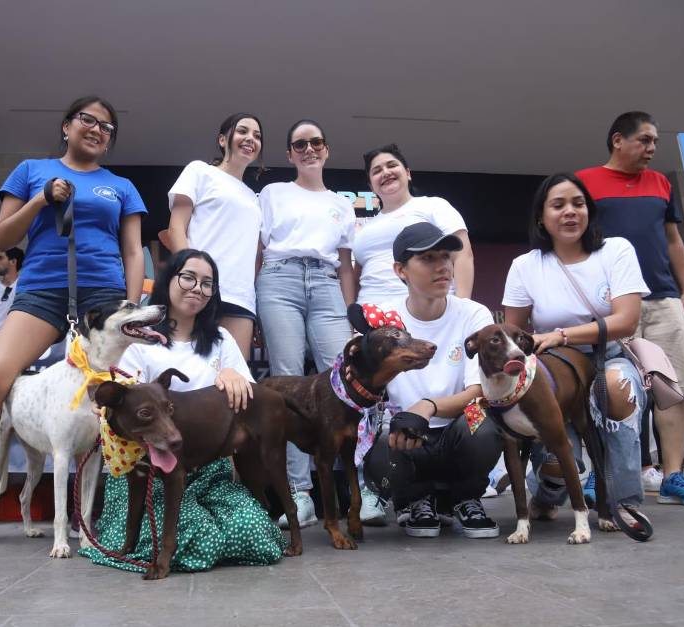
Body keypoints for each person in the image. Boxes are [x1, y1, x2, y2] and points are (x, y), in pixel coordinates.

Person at [0, 96, 149, 547]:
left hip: (104, 297)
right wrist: (42, 198)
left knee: (115, 394)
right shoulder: (31, 171)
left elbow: (132, 250)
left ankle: (103, 507)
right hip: (42, 290)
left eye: (107, 126)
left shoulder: (121, 186)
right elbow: (3, 235)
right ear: (66, 126)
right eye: (87, 119)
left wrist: (130, 305)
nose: (97, 129)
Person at [80, 249, 286, 573]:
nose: (197, 288)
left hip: (207, 470)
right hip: (147, 471)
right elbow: (120, 402)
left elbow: (247, 395)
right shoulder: (139, 340)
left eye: (207, 283)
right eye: (188, 278)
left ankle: (207, 533)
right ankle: (157, 541)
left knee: (256, 531)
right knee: (193, 533)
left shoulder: (221, 340)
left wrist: (233, 375)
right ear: (169, 280)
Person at [577, 111, 684, 506]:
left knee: (672, 390)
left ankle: (673, 477)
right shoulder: (584, 182)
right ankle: (601, 474)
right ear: (618, 140)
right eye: (645, 139)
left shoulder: (660, 183)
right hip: (611, 302)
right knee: (607, 388)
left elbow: (673, 241)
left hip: (663, 298)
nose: (652, 148)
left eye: (655, 141)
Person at [503, 173, 656, 525]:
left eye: (578, 203)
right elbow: (515, 334)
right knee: (560, 458)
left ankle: (623, 503)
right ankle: (547, 495)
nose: (570, 211)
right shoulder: (525, 266)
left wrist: (563, 335)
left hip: (608, 357)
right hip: (553, 368)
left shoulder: (616, 250)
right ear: (541, 217)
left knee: (619, 388)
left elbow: (626, 321)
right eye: (558, 205)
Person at [363, 222, 503, 538]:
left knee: (481, 423)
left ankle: (466, 498)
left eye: (445, 256)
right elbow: (361, 388)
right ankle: (414, 500)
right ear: (400, 270)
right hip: (406, 436)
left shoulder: (474, 314)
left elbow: (479, 391)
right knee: (381, 441)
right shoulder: (383, 320)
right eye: (427, 258)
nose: (442, 266)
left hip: (456, 432)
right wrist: (403, 419)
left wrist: (427, 406)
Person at [255, 120, 356, 530]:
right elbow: (258, 249)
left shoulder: (342, 203)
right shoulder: (273, 193)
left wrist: (352, 313)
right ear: (290, 154)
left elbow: (346, 264)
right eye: (300, 144)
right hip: (279, 278)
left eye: (316, 143)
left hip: (327, 281)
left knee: (344, 381)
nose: (309, 149)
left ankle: (357, 487)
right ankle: (299, 492)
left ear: (326, 149)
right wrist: (253, 299)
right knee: (288, 379)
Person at [167, 113, 264, 358]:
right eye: (242, 131)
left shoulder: (254, 198)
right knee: (186, 368)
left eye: (257, 135)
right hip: (198, 288)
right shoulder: (200, 171)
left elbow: (255, 253)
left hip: (240, 296)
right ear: (222, 140)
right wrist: (189, 278)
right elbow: (176, 228)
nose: (250, 138)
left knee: (234, 376)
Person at [353, 143, 474, 305]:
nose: (386, 172)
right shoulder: (364, 228)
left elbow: (462, 255)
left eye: (392, 165)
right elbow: (356, 277)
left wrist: (462, 307)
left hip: (429, 311)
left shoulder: (434, 205)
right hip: (371, 314)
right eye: (377, 171)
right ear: (371, 186)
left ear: (408, 173)